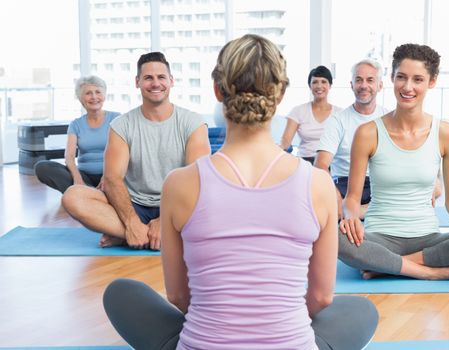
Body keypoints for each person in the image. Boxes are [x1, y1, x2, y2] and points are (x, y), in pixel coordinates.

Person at [103, 34, 378, 350]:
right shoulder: (318, 183)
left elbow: (178, 296)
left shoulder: (179, 184)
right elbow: (320, 297)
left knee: (121, 292)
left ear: (218, 89)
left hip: (205, 342)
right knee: (360, 309)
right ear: (281, 92)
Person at [338, 43, 449, 281]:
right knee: (336, 238)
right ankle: (431, 272)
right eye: (401, 77)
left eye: (417, 79)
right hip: (379, 238)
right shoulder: (367, 133)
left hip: (428, 239)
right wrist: (350, 218)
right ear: (391, 78)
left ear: (432, 81)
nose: (408, 87)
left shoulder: (447, 134)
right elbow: (352, 199)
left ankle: (392, 266)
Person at [61, 52, 210, 250]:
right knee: (73, 197)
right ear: (137, 82)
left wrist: (164, 219)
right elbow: (112, 178)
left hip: (177, 205)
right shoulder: (121, 125)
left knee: (218, 204)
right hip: (133, 204)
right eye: (148, 78)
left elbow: (197, 177)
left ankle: (128, 235)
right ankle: (145, 233)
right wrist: (131, 221)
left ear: (171, 81)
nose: (155, 83)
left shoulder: (193, 122)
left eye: (161, 77)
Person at [315, 58, 387, 219]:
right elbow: (321, 164)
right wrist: (334, 194)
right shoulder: (338, 120)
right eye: (358, 80)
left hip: (379, 185)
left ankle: (362, 213)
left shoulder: (389, 119)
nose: (363, 85)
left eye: (370, 80)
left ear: (380, 85)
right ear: (351, 85)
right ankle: (364, 213)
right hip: (344, 185)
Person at [34, 76, 119, 193]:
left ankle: (86, 195)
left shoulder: (116, 119)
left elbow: (123, 154)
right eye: (88, 93)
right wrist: (77, 178)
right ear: (81, 98)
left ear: (104, 96)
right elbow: (69, 157)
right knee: (42, 167)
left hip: (112, 175)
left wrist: (107, 177)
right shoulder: (76, 125)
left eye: (98, 92)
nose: (94, 97)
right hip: (84, 176)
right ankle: (89, 192)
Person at [280, 65, 341, 164]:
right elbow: (285, 144)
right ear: (310, 86)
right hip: (305, 162)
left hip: (332, 163)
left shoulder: (339, 113)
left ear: (330, 85)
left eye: (323, 82)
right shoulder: (298, 111)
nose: (319, 86)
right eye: (315, 82)